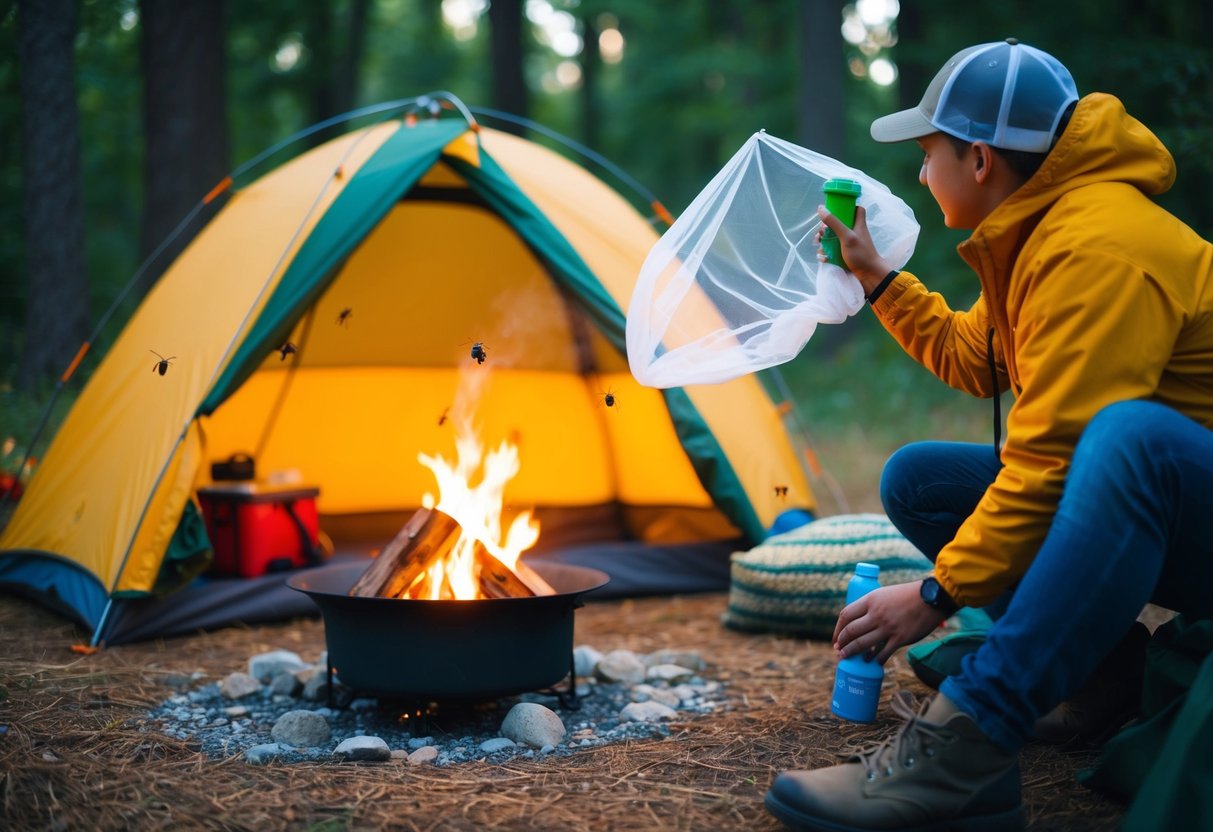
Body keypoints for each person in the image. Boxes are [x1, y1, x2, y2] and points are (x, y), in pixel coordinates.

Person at [763, 38, 1213, 831]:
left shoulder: (1095, 249)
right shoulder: (1040, 231)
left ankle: (966, 745)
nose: (918, 171)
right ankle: (1100, 682)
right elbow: (977, 358)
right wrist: (875, 277)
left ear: (976, 159)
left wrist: (937, 595)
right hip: (1174, 511)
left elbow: (1053, 459)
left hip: (1178, 498)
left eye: (927, 151)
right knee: (920, 479)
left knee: (1127, 441)